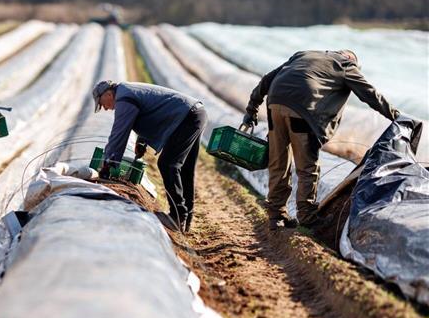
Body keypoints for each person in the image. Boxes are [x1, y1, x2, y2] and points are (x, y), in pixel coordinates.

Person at [243, 50, 400, 229]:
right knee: (307, 166)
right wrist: (396, 116)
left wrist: (252, 109)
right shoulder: (345, 65)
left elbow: (267, 80)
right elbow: (370, 94)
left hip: (275, 103)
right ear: (351, 59)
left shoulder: (303, 55)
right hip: (303, 108)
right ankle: (307, 215)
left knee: (278, 162)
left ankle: (276, 215)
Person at [92, 80, 207, 233]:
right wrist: (142, 142)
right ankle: (186, 219)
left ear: (108, 93)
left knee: (168, 164)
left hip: (186, 117)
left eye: (102, 104)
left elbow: (119, 133)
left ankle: (177, 217)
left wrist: (109, 161)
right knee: (184, 168)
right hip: (194, 113)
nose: (105, 108)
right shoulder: (128, 92)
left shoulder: (124, 98)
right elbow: (150, 112)